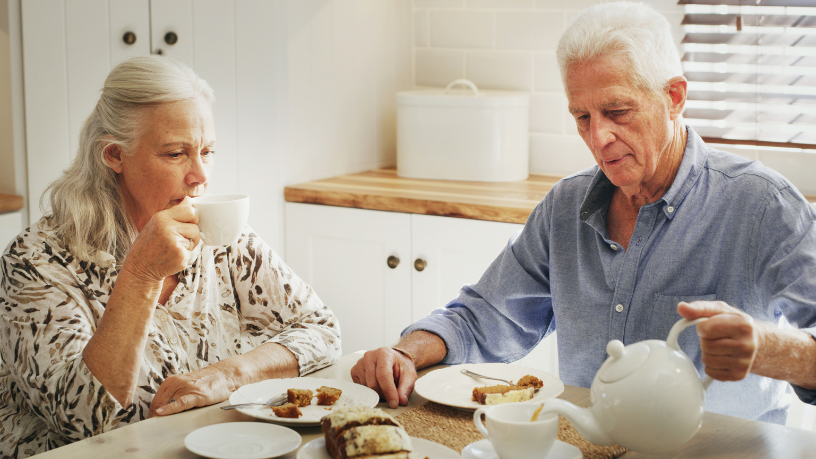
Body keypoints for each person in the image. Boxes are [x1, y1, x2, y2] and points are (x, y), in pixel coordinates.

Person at [351, 1, 816, 424]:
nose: (598, 139)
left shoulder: (762, 204)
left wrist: (772, 350)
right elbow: (483, 316)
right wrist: (404, 353)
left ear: (674, 97)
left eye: (617, 110)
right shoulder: (565, 206)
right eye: (582, 117)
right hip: (588, 448)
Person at [0, 55, 341, 457]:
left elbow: (321, 330)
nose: (201, 175)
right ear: (113, 155)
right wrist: (141, 274)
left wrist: (227, 375)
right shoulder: (35, 260)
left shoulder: (218, 232)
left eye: (207, 151)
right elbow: (84, 420)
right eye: (176, 154)